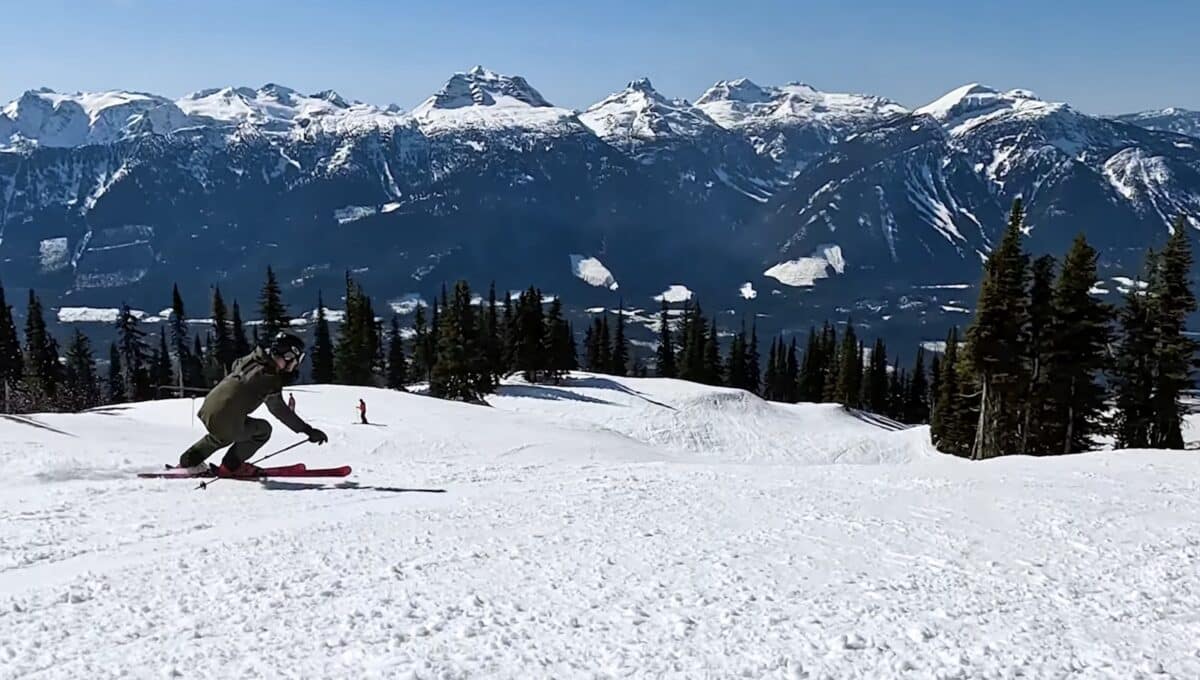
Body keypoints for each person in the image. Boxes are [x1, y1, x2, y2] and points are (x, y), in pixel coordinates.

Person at [177, 332, 328, 475]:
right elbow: (279, 410)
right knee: (263, 430)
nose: (294, 365)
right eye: (295, 360)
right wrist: (307, 430)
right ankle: (232, 466)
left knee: (221, 434)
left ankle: (188, 461)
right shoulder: (269, 378)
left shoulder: (252, 359)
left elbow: (236, 365)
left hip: (209, 408)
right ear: (288, 356)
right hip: (226, 417)